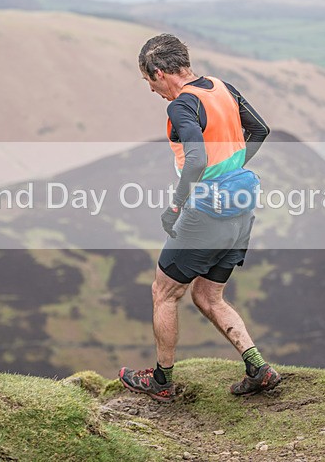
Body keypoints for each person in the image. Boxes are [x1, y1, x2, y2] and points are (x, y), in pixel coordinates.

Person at [119, 34, 280, 402]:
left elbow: (195, 159)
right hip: (241, 208)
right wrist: (233, 171)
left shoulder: (181, 106)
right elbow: (260, 130)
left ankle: (161, 381)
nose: (151, 90)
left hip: (206, 213)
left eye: (148, 81)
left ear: (159, 73)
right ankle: (258, 369)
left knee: (164, 292)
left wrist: (176, 205)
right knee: (208, 296)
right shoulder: (223, 88)